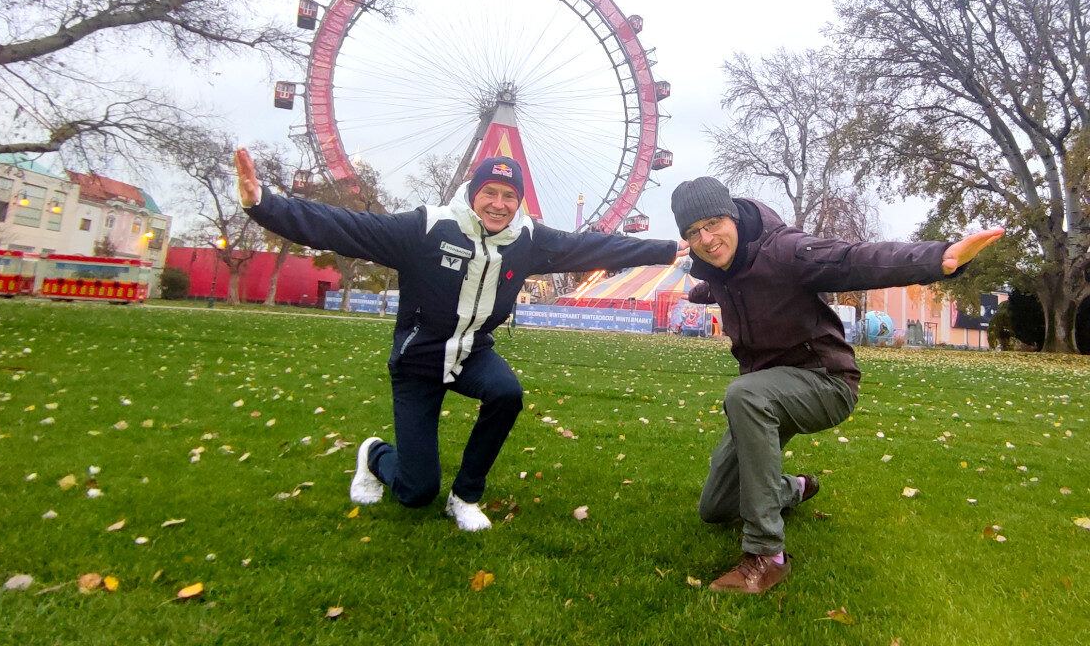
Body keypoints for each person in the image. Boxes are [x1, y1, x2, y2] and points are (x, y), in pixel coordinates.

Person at [236, 148, 688, 531]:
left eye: (509, 196)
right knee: (415, 493)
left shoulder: (528, 240)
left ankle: (466, 496)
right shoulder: (427, 227)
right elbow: (346, 227)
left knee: (507, 393)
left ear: (519, 202)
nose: (498, 204)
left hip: (472, 352)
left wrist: (664, 249)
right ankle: (374, 455)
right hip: (419, 360)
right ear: (473, 193)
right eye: (490, 192)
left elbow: (593, 246)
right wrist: (264, 204)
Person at [671, 176, 1003, 594]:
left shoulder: (786, 252)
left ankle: (766, 555)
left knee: (744, 394)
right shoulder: (723, 270)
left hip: (825, 383)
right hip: (769, 393)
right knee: (714, 509)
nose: (706, 238)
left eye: (713, 222)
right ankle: (793, 488)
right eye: (692, 232)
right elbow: (725, 287)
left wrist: (941, 258)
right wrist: (699, 293)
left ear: (733, 216)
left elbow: (854, 259)